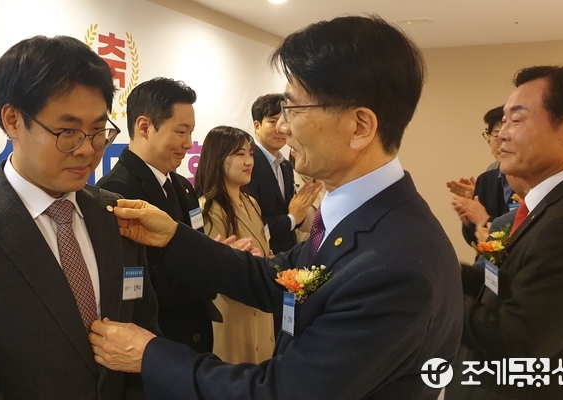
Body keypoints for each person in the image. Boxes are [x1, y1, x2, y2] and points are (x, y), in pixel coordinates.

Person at [90, 15, 463, 400]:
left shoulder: (393, 265)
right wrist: (172, 237)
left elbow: (283, 392)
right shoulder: (358, 219)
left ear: (359, 127)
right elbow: (276, 277)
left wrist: (150, 355)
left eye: (294, 109)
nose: (284, 128)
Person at [0, 35, 160, 399]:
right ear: (13, 120)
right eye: (68, 132)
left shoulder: (115, 213)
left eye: (98, 131)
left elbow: (144, 337)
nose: (87, 150)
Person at [450, 66, 563, 399]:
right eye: (502, 122)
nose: (501, 135)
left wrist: (439, 294)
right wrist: (445, 271)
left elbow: (517, 342)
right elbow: (501, 283)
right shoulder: (530, 212)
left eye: (517, 120)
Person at [97, 78, 220, 353]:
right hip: (158, 345)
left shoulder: (182, 185)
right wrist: (212, 269)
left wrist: (215, 255)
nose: (188, 143)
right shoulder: (116, 192)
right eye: (180, 132)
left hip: (195, 338)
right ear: (144, 127)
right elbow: (137, 285)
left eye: (191, 132)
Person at [194, 126, 276, 364]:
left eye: (250, 154)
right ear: (218, 158)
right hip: (233, 315)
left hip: (261, 307)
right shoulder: (208, 207)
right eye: (240, 154)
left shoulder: (252, 203)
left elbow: (266, 251)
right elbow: (214, 269)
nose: (249, 161)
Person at [247, 93, 319, 253]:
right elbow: (252, 223)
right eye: (272, 121)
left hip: (288, 253)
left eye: (285, 121)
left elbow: (293, 215)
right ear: (257, 125)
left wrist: (300, 211)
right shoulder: (248, 164)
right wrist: (291, 219)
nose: (280, 128)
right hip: (263, 255)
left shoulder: (286, 166)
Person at [450, 106, 520, 244]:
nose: (500, 142)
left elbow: (525, 234)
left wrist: (484, 219)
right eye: (496, 135)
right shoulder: (486, 179)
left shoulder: (532, 180)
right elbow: (475, 241)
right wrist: (470, 221)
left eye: (505, 135)